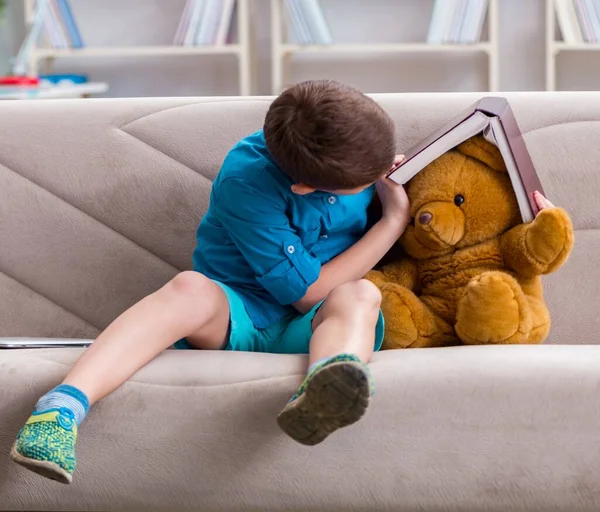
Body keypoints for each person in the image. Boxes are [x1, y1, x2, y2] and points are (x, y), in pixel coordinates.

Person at [10, 80, 412, 484]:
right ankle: (62, 407)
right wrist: (394, 221)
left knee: (361, 294)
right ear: (305, 188)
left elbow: (322, 302)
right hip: (237, 317)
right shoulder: (248, 180)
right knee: (189, 287)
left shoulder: (349, 161)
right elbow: (310, 295)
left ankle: (327, 387)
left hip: (312, 331)